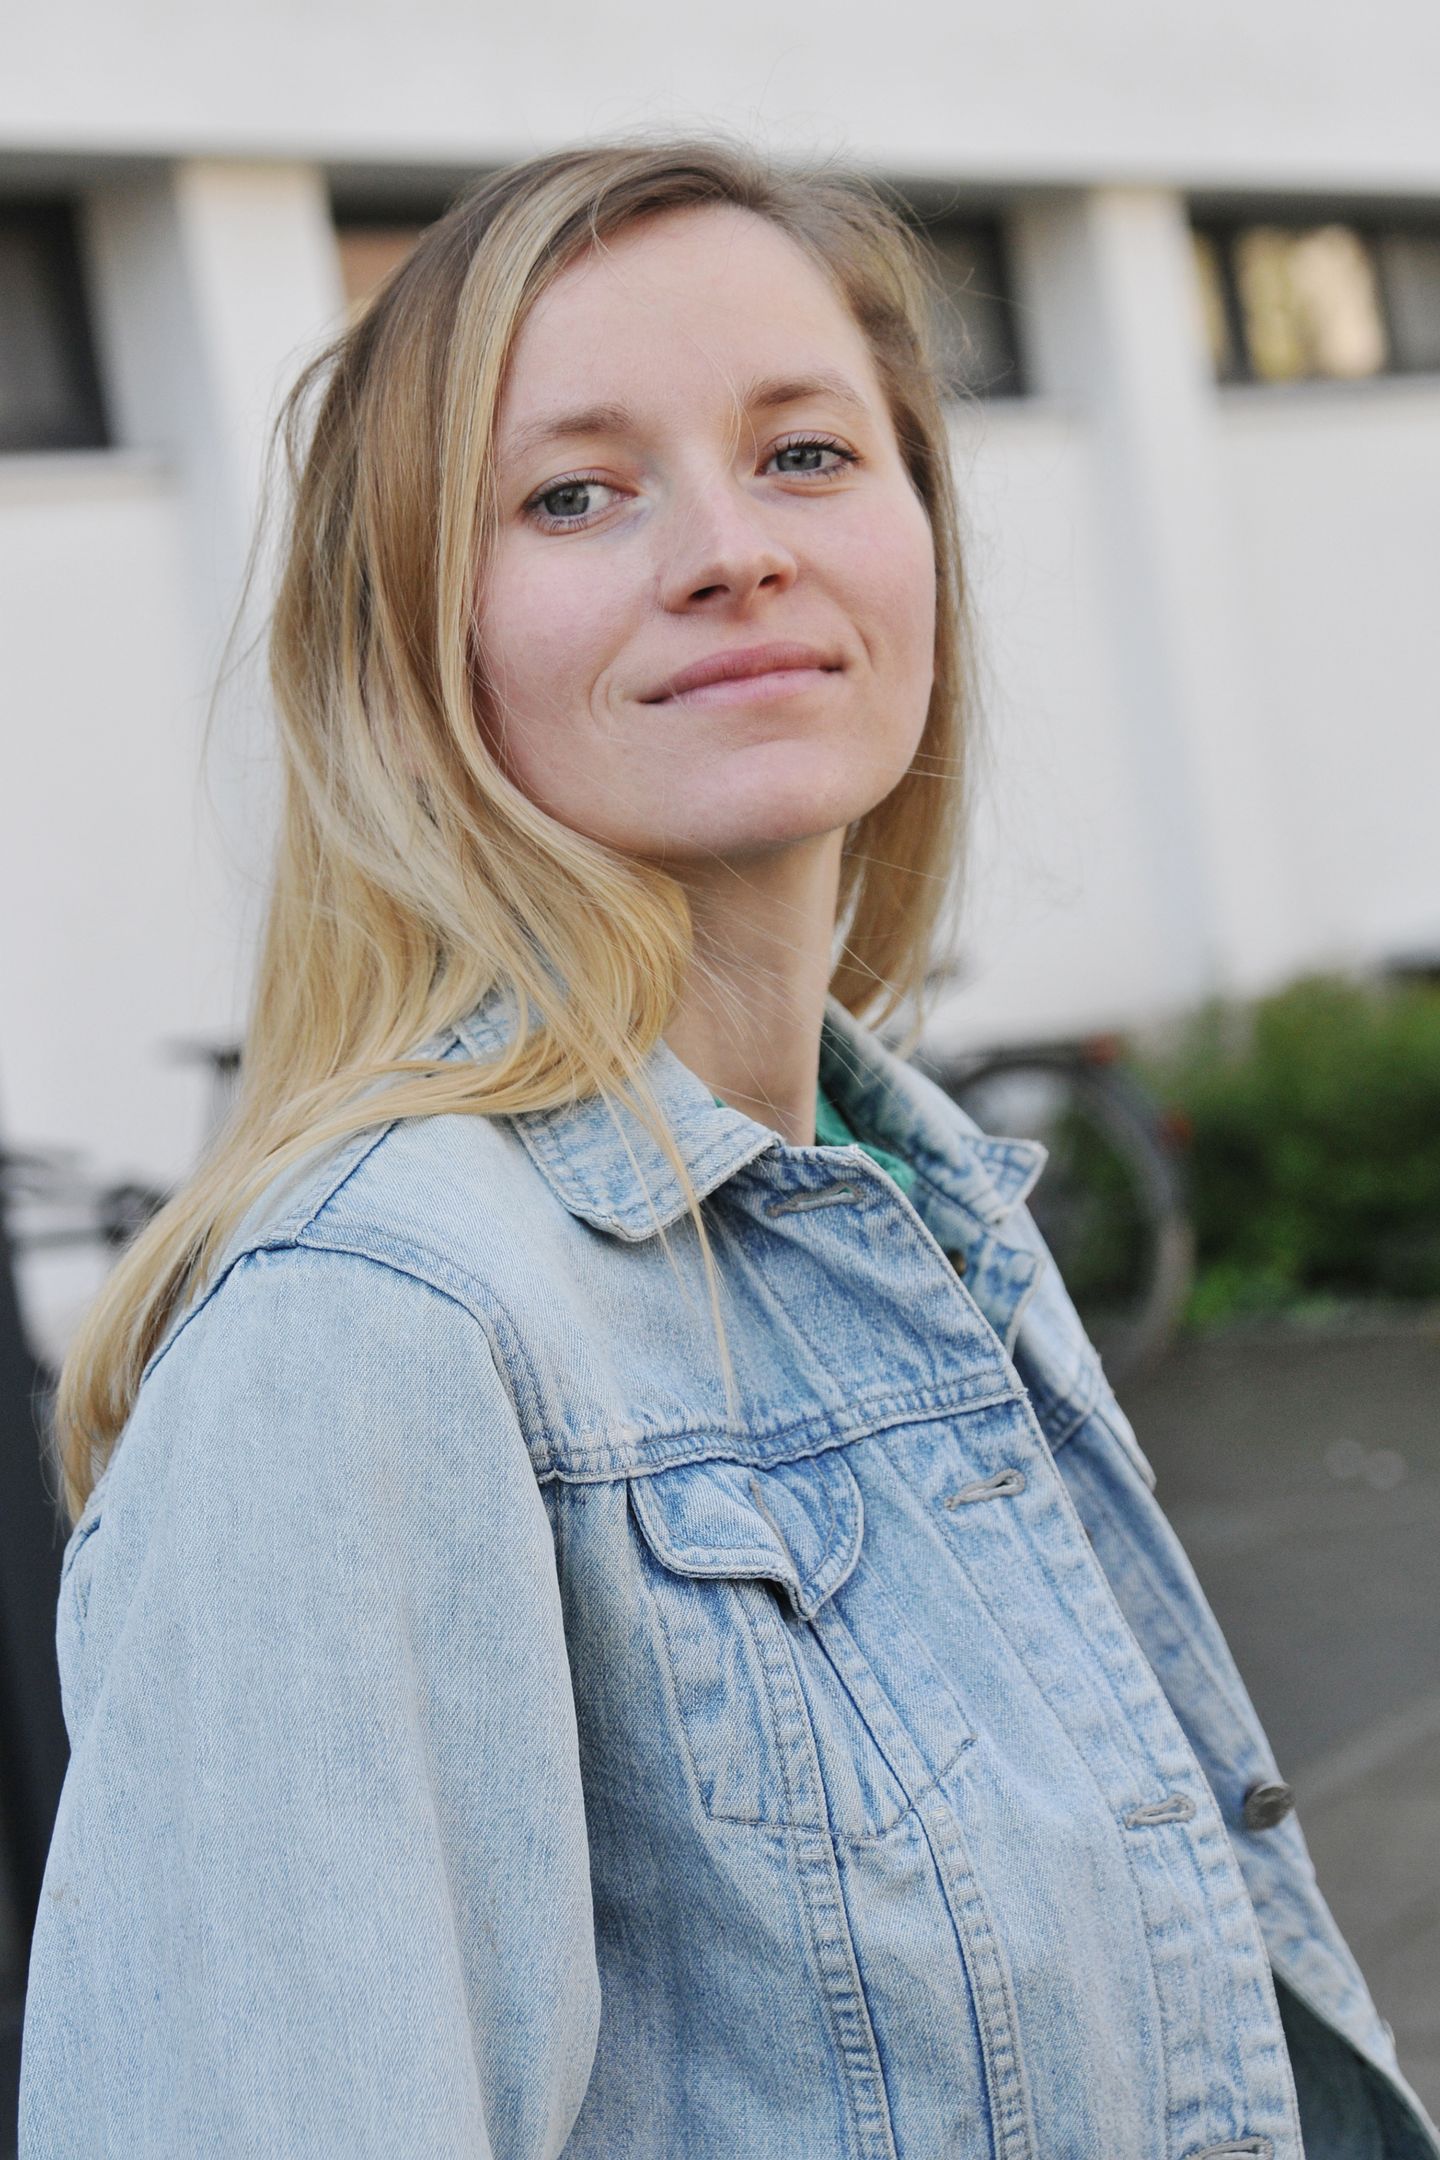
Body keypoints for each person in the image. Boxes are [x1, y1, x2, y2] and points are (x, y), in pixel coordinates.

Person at [18, 138, 1439, 2160]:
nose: (732, 549)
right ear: (414, 644)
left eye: (805, 454)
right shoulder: (373, 1338)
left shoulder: (912, 1209)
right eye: (573, 493)